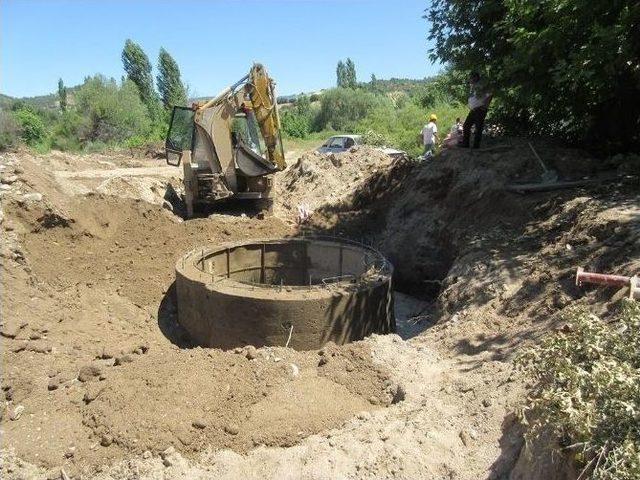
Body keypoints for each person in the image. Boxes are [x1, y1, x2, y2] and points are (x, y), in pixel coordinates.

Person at [460, 72, 492, 149]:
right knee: (466, 126)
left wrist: (485, 106)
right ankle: (465, 144)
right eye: (470, 78)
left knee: (478, 127)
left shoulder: (481, 85)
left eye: (471, 77)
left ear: (476, 78)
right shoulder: (472, 86)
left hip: (480, 109)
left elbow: (490, 94)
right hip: (473, 110)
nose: (470, 79)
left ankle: (476, 146)